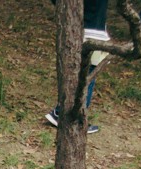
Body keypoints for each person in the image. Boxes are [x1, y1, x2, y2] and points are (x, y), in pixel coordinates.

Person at [44, 0, 109, 134]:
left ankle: (61, 111)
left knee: (78, 74)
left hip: (76, 30)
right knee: (88, 77)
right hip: (93, 32)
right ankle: (70, 115)